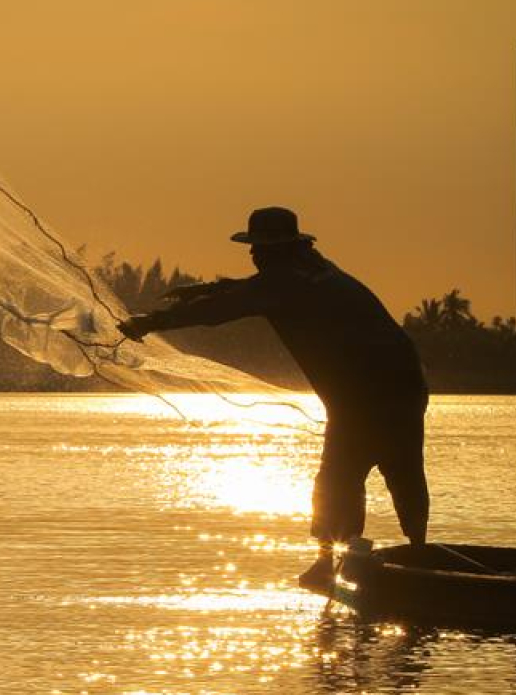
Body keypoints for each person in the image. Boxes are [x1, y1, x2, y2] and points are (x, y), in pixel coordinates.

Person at [118, 206, 429, 593]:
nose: (253, 255)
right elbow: (248, 289)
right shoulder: (314, 270)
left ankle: (345, 564)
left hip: (368, 392)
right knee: (395, 470)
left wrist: (152, 322)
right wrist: (206, 289)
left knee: (342, 477)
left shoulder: (285, 284)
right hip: (400, 380)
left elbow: (227, 309)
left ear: (278, 250)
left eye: (258, 248)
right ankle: (415, 556)